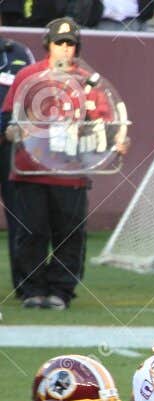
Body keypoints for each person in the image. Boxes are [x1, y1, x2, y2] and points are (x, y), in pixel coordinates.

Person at [2, 17, 125, 310]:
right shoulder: (29, 76)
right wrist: (14, 131)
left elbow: (106, 125)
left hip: (71, 174)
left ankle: (61, 291)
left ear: (77, 47)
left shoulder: (89, 81)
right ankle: (31, 290)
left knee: (69, 236)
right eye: (60, 43)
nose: (65, 49)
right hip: (30, 171)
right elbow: (8, 118)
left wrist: (116, 140)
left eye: (70, 44)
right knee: (31, 232)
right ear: (48, 45)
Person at [0, 16, 33, 297]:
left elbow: (33, 96)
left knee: (19, 215)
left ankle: (24, 284)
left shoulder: (19, 53)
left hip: (9, 145)